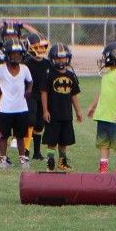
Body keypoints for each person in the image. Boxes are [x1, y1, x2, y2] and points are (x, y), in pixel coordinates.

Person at [0, 37, 32, 169]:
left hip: (21, 108)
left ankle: (22, 158)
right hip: (5, 108)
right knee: (3, 136)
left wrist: (29, 90)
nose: (17, 56)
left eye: (19, 53)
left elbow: (30, 81)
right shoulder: (1, 69)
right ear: (7, 54)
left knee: (20, 136)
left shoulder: (24, 68)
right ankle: (2, 159)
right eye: (13, 53)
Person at [86, 42, 116, 173]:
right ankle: (103, 167)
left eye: (105, 56)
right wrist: (92, 106)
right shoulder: (107, 74)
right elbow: (102, 93)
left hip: (115, 117)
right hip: (103, 115)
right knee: (103, 144)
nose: (103, 59)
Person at [40, 42, 83, 171]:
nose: (61, 60)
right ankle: (50, 161)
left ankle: (62, 161)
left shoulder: (70, 75)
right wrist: (45, 110)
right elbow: (44, 92)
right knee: (52, 140)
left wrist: (78, 111)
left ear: (67, 58)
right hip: (53, 113)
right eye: (58, 58)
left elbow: (74, 94)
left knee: (65, 140)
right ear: (52, 58)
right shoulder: (49, 74)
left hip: (66, 113)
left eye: (63, 57)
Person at [24, 33, 51, 161]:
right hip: (30, 95)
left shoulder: (48, 63)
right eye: (37, 47)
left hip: (43, 96)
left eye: (43, 47)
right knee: (30, 121)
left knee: (40, 124)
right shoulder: (26, 63)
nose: (41, 50)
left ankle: (37, 153)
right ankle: (26, 150)